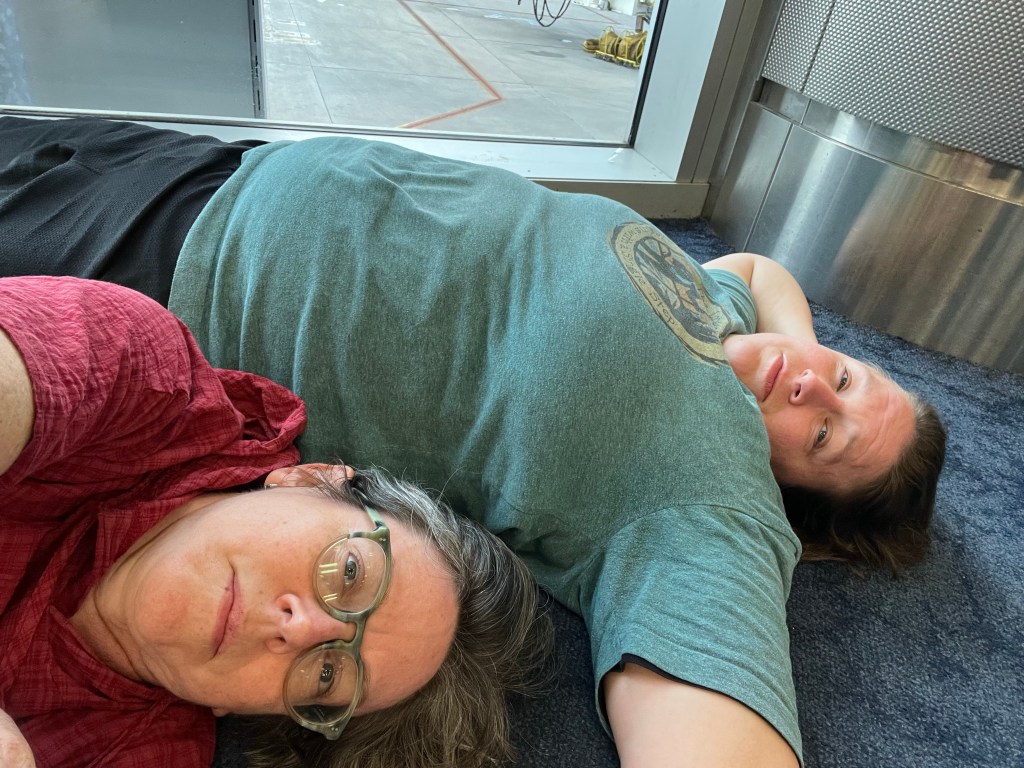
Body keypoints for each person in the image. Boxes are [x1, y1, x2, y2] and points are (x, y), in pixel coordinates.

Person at [0, 116, 946, 768]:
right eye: (850, 378)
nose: (811, 385)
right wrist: (804, 347)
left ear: (784, 498)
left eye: (824, 436)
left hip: (132, 304)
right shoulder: (722, 308)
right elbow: (761, 267)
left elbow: (719, 739)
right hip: (203, 165)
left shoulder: (713, 505)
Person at [0, 276, 552, 768]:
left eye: (328, 674)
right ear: (307, 480)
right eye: (350, 573)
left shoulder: (140, 754)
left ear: (249, 709)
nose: (301, 630)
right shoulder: (147, 378)